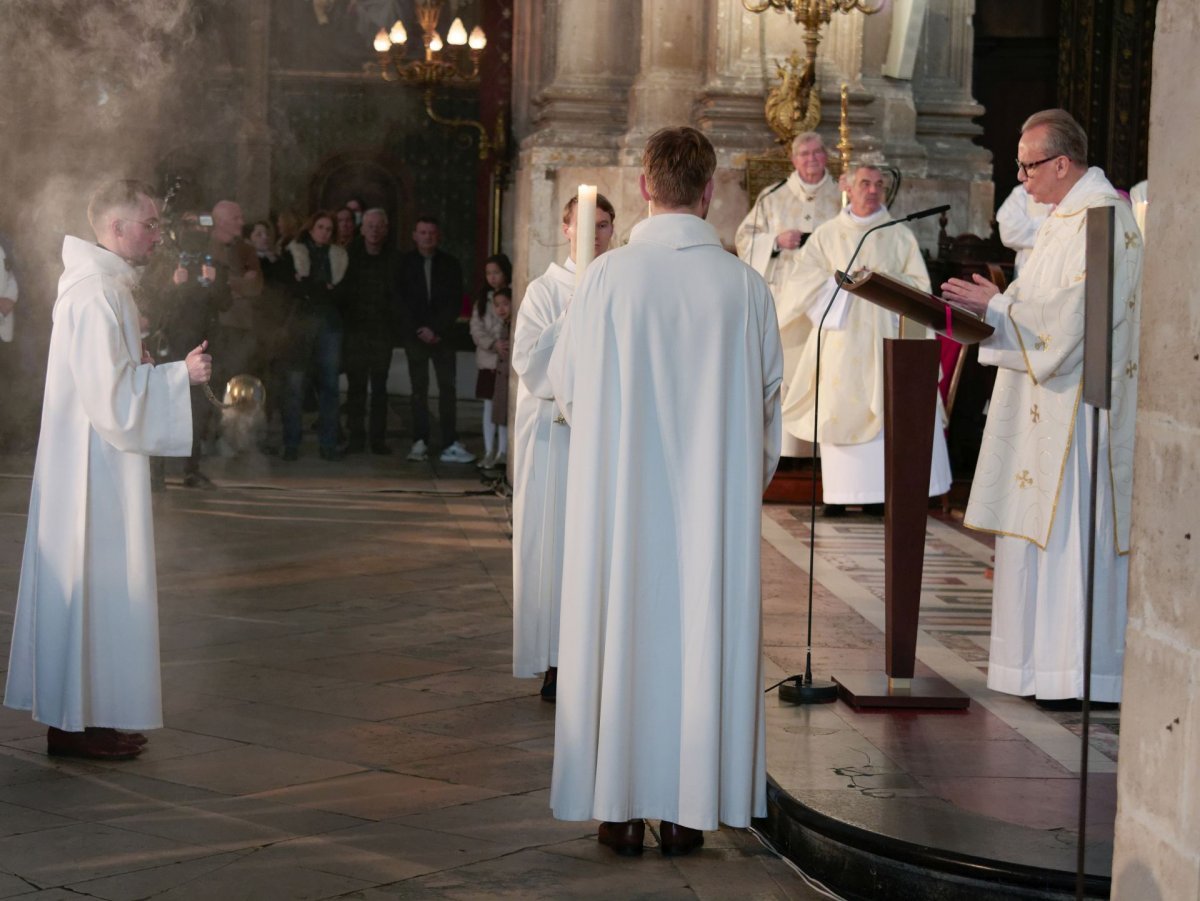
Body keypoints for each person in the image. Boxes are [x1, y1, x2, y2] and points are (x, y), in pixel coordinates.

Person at [547, 127, 783, 857]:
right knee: (698, 638)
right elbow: (771, 405)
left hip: (621, 503)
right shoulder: (744, 286)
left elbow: (568, 392)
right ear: (710, 192)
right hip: (710, 511)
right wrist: (731, 473)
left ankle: (616, 809)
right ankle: (688, 811)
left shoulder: (607, 279)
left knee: (620, 634)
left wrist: (619, 451)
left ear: (646, 187)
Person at [3, 179, 213, 760]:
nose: (157, 235)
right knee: (90, 587)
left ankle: (89, 716)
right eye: (148, 225)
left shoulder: (103, 287)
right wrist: (178, 376)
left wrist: (142, 365)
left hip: (93, 463)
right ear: (116, 229)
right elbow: (113, 398)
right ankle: (72, 725)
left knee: (98, 591)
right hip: (90, 473)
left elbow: (108, 376)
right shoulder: (98, 292)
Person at [941, 109, 1141, 705]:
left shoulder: (1103, 219)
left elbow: (1073, 320)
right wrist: (996, 309)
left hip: (1081, 415)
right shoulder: (1063, 217)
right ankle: (1033, 668)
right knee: (1040, 540)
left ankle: (1073, 672)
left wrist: (998, 305)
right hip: (1048, 406)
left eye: (1028, 166)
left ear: (1061, 163)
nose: (1021, 178)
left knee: (1069, 538)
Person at [777, 162, 952, 516]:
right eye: (865, 184)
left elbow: (921, 289)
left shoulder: (898, 234)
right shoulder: (827, 234)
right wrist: (837, 282)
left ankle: (876, 496)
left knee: (886, 408)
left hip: (885, 338)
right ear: (848, 187)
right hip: (841, 340)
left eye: (878, 185)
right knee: (837, 407)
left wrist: (884, 281)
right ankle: (839, 495)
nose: (872, 190)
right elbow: (801, 280)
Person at [511, 192, 616, 703]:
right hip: (557, 442)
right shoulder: (544, 291)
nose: (596, 235)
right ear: (567, 228)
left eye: (605, 226)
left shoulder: (620, 286)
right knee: (556, 552)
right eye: (587, 225)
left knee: (599, 550)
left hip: (603, 442)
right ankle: (555, 660)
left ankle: (599, 661)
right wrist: (574, 312)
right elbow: (530, 366)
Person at [735, 131, 841, 458]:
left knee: (823, 372)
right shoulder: (773, 196)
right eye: (804, 154)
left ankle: (821, 451)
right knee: (788, 371)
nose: (811, 159)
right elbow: (744, 240)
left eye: (817, 153)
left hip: (825, 301)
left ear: (827, 157)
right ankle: (786, 451)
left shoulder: (842, 197)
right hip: (784, 300)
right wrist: (776, 242)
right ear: (793, 160)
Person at [395, 216, 473, 464]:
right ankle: (420, 441)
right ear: (414, 236)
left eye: (431, 232)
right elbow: (400, 301)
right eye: (422, 232)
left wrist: (436, 329)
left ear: (437, 236)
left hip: (443, 337)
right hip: (416, 337)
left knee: (447, 389)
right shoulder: (404, 264)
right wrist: (419, 329)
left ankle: (449, 441)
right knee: (418, 390)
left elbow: (454, 300)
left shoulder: (450, 264)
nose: (427, 236)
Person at [281, 210, 348, 461]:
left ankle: (328, 444)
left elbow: (340, 292)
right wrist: (320, 288)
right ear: (311, 228)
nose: (325, 232)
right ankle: (291, 443)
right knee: (295, 386)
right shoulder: (295, 252)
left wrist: (310, 286)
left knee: (330, 386)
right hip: (300, 324)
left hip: (329, 324)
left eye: (329, 229)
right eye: (321, 227)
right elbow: (293, 288)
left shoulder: (339, 256)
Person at [342, 208, 398, 455]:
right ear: (362, 229)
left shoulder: (395, 258)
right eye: (370, 226)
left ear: (385, 229)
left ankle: (377, 439)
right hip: (355, 331)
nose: (374, 230)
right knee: (356, 388)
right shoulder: (348, 255)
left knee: (379, 388)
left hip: (382, 331)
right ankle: (355, 437)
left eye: (379, 226)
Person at [209, 200, 262, 388]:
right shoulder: (205, 247)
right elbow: (208, 287)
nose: (242, 222)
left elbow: (256, 287)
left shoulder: (246, 250)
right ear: (220, 221)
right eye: (236, 218)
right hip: (212, 327)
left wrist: (227, 281)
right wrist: (239, 280)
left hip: (241, 326)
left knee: (238, 382)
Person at [469, 253, 512, 469]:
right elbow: (476, 329)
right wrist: (493, 344)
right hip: (488, 361)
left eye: (496, 272)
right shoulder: (482, 302)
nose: (492, 277)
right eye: (488, 273)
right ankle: (488, 449)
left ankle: (503, 451)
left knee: (502, 408)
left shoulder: (515, 295)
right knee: (488, 407)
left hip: (505, 364)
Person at [996, 183, 1052, 276]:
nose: (1021, 176)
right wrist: (1048, 222)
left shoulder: (1078, 192)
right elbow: (1008, 232)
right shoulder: (1022, 192)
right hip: (1028, 269)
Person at [488, 288, 513, 467]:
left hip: (507, 377)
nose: (501, 309)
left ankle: (504, 452)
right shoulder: (504, 324)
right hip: (501, 376)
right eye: (497, 305)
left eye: (505, 304)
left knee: (505, 415)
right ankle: (499, 451)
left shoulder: (512, 324)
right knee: (499, 416)